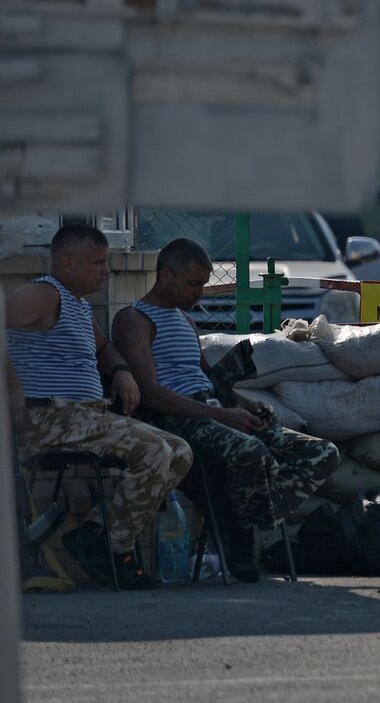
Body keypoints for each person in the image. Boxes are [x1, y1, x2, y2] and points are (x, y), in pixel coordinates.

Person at [111, 238, 340, 582]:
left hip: (212, 411)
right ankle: (240, 535)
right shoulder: (134, 319)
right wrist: (222, 415)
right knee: (250, 451)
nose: (199, 293)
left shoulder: (186, 323)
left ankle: (237, 519)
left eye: (203, 284)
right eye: (192, 284)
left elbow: (208, 381)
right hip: (178, 420)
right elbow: (151, 394)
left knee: (321, 453)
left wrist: (245, 405)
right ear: (165, 275)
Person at [4, 223, 193, 588]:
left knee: (180, 451)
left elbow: (104, 348)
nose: (107, 270)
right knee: (154, 450)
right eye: (99, 262)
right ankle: (113, 548)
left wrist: (121, 370)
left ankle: (95, 535)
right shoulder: (44, 293)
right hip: (49, 418)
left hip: (85, 418)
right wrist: (12, 389)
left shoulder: (76, 305)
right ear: (69, 263)